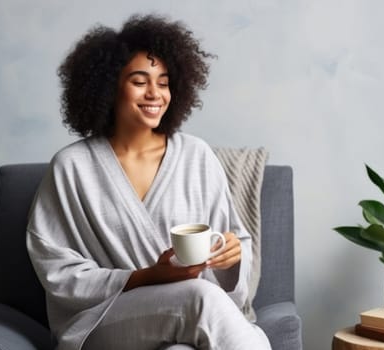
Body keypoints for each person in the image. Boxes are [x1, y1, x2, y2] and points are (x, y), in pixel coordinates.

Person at [26, 14, 272, 350]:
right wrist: (141, 278)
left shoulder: (196, 156)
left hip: (180, 319)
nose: (155, 93)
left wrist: (233, 254)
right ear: (109, 86)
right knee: (198, 298)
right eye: (140, 81)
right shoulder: (72, 167)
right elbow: (55, 266)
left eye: (164, 81)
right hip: (103, 319)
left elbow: (233, 236)